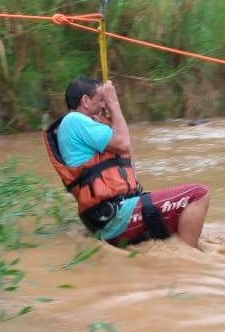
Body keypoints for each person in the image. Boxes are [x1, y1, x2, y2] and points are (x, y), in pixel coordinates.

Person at [44, 77, 211, 248]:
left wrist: (110, 117)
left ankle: (184, 252)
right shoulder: (75, 120)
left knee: (178, 218)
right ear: (85, 101)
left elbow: (125, 158)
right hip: (115, 216)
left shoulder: (81, 126)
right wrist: (113, 102)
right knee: (198, 194)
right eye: (101, 100)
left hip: (106, 216)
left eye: (105, 101)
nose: (103, 106)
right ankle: (186, 260)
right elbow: (123, 143)